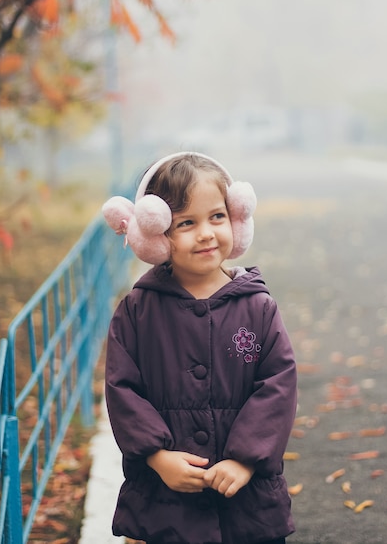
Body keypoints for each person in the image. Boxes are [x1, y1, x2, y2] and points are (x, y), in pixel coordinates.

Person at [102, 152, 297, 544]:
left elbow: (277, 385)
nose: (206, 233)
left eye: (218, 217)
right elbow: (122, 390)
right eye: (186, 223)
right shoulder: (137, 312)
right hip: (165, 496)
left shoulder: (257, 307)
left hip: (245, 495)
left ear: (237, 220)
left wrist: (246, 459)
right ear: (155, 233)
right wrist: (157, 457)